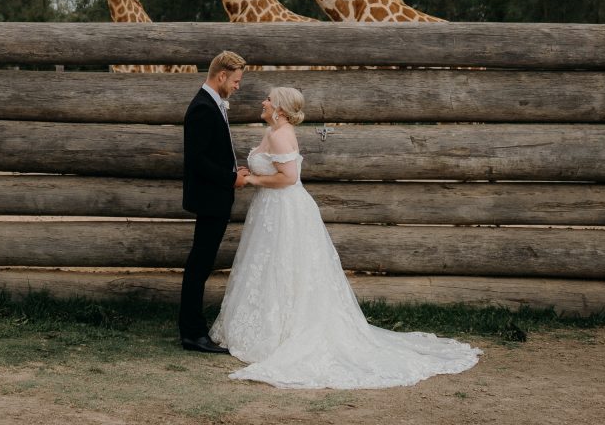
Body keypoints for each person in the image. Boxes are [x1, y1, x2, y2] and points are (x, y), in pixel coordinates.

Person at [210, 86, 482, 388]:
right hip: (270, 209)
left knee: (285, 265)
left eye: (269, 100)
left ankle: (285, 330)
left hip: (284, 209)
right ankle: (265, 326)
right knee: (269, 266)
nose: (264, 102)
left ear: (280, 109)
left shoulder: (280, 133)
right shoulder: (273, 130)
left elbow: (288, 178)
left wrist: (252, 180)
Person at [179, 50, 249, 353]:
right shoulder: (202, 108)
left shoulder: (212, 105)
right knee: (199, 264)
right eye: (235, 80)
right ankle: (192, 332)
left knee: (201, 263)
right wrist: (230, 178)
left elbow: (214, 152)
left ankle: (193, 327)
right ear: (221, 76)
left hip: (216, 196)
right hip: (210, 198)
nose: (237, 86)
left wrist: (233, 171)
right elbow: (197, 161)